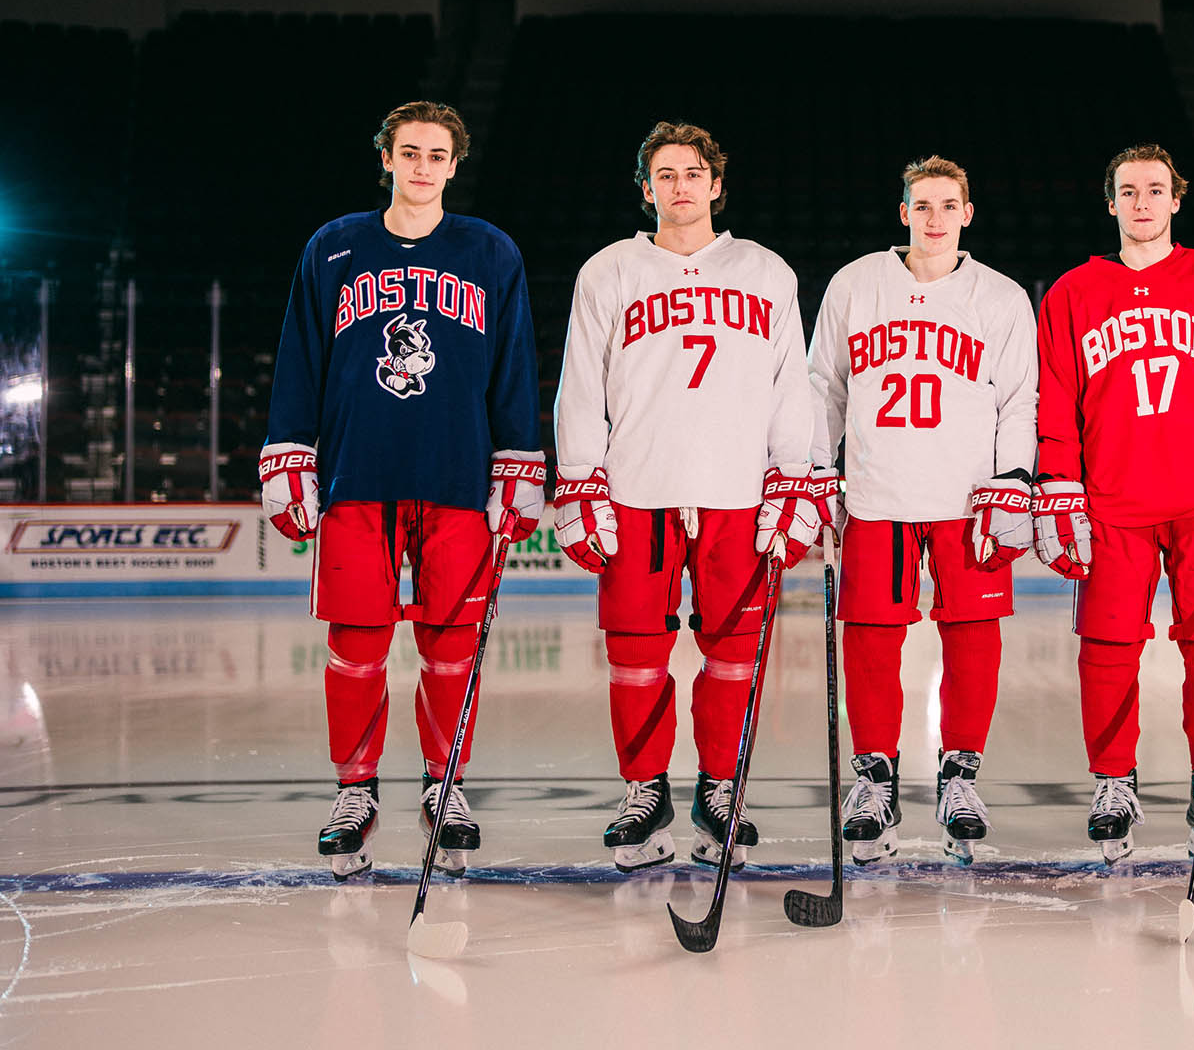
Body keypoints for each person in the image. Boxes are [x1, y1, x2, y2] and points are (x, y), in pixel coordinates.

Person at [261, 100, 542, 881]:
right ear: (385, 157)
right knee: (356, 644)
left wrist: (517, 460)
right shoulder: (332, 248)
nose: (422, 166)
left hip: (457, 478)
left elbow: (513, 364)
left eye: (437, 154)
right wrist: (289, 452)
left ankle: (443, 783)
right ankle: (354, 791)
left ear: (456, 164)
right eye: (409, 152)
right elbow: (301, 359)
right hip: (358, 475)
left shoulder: (491, 253)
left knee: (451, 646)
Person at [551, 121, 824, 873]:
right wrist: (580, 477)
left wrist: (791, 476)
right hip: (638, 486)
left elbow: (788, 384)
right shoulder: (607, 272)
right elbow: (580, 387)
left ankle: (721, 784)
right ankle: (644, 790)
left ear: (716, 183)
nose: (680, 185)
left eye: (693, 172)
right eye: (665, 174)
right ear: (646, 188)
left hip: (736, 487)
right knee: (635, 654)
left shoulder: (766, 271)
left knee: (733, 653)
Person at [1033, 143, 1194, 864]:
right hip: (1113, 500)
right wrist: (1060, 485)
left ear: (1178, 199)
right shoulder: (1073, 292)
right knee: (1107, 649)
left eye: (1155, 190)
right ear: (1109, 203)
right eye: (1128, 191)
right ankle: (1114, 781)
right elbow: (1058, 403)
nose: (1142, 202)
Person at [806, 157, 1037, 864]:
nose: (934, 217)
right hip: (878, 492)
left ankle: (960, 775)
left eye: (948, 204)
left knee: (974, 640)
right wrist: (817, 469)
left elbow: (1018, 398)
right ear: (902, 210)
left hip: (970, 499)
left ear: (968, 213)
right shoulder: (855, 283)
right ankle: (875, 780)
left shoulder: (998, 298)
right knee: (870, 641)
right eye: (922, 204)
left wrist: (1015, 480)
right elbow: (824, 386)